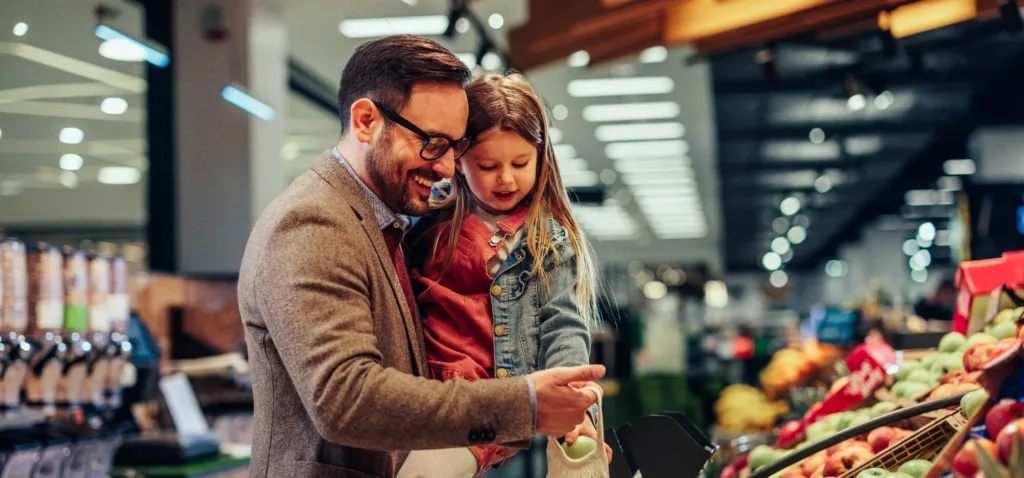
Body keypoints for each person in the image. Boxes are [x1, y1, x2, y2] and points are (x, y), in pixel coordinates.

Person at [237, 35, 604, 478]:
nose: (448, 167)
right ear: (367, 120)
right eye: (432, 142)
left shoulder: (392, 223)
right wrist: (519, 405)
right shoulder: (314, 223)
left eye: (455, 148)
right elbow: (346, 400)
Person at [399, 73, 613, 477]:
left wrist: (577, 407)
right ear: (458, 160)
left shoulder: (547, 239)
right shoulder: (426, 219)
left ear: (541, 156)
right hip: (425, 398)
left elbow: (563, 327)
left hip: (495, 403)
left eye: (521, 163)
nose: (507, 179)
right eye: (488, 165)